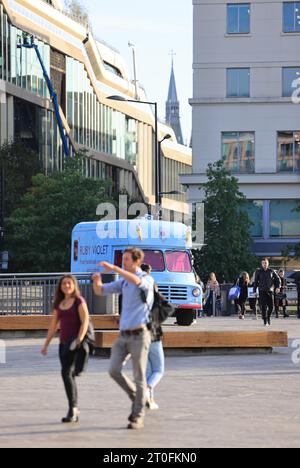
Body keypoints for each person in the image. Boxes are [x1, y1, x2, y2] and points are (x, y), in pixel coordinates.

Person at [92, 248, 153, 430]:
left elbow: (136, 281)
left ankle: (137, 416)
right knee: (113, 370)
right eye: (122, 259)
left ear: (136, 261)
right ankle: (138, 397)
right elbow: (101, 291)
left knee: (139, 376)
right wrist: (97, 281)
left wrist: (114, 269)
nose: (122, 262)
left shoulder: (146, 279)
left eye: (126, 259)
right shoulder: (124, 282)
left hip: (139, 335)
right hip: (123, 335)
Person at [41, 275, 90, 423]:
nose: (66, 285)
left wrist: (79, 339)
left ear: (74, 285)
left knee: (66, 373)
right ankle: (74, 407)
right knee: (68, 375)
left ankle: (72, 409)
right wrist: (46, 344)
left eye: (69, 283)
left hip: (75, 343)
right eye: (64, 283)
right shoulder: (59, 304)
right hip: (63, 344)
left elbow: (85, 321)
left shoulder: (79, 301)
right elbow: (53, 326)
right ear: (60, 286)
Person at [141, 263, 165, 411]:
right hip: (153, 332)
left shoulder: (132, 288)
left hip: (137, 333)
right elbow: (166, 306)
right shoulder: (152, 287)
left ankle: (149, 399)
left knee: (148, 370)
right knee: (159, 370)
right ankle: (147, 389)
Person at [253, 258, 280, 326]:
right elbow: (255, 282)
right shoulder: (258, 271)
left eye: (265, 263)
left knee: (271, 307)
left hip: (270, 291)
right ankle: (265, 321)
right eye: (263, 263)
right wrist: (254, 291)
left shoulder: (271, 271)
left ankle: (268, 317)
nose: (264, 264)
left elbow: (277, 279)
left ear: (268, 263)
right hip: (262, 291)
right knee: (264, 306)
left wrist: (277, 287)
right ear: (261, 264)